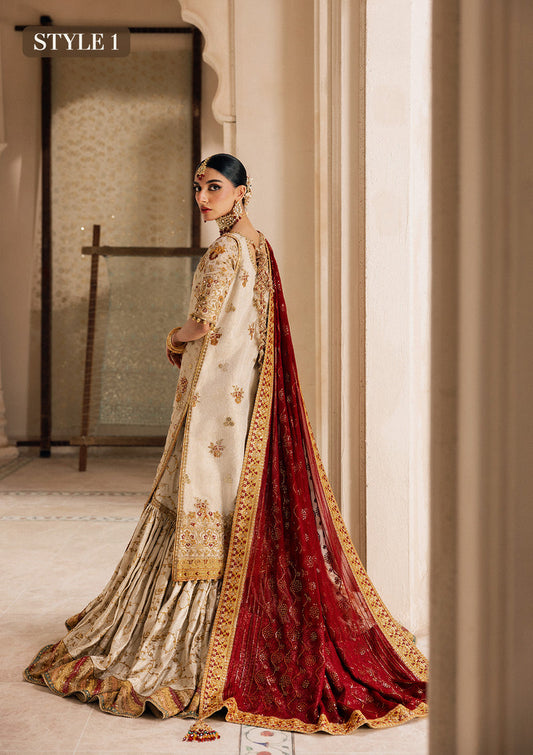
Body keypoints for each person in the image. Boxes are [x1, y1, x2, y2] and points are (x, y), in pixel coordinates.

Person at [24, 154, 428, 740]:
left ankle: (191, 648)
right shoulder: (261, 249)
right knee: (236, 513)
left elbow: (203, 326)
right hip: (248, 413)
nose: (202, 197)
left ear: (242, 191)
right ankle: (234, 631)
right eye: (198, 187)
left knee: (199, 508)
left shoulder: (222, 254)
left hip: (214, 413)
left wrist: (171, 336)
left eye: (214, 187)